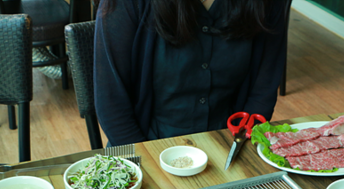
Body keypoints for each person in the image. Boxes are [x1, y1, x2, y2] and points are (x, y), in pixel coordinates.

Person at [95, 0, 289, 147]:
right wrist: (144, 161)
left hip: (229, 140)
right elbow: (111, 102)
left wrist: (239, 144)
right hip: (141, 144)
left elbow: (263, 91)